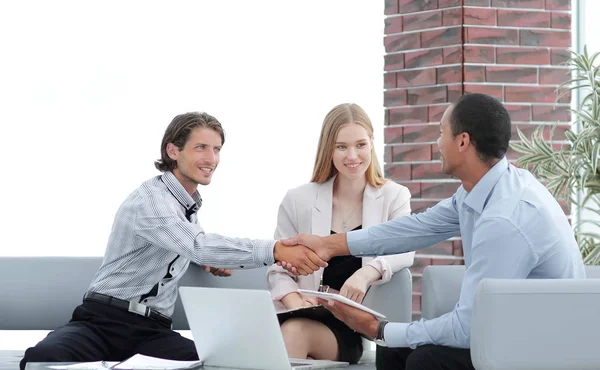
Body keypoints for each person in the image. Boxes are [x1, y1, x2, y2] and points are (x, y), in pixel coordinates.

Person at [280, 93, 586, 370]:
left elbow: (468, 328)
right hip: (510, 330)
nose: (437, 143)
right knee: (393, 353)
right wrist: (329, 244)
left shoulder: (504, 220)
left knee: (424, 359)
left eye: (442, 133)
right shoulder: (482, 189)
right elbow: (415, 228)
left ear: (463, 141)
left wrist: (379, 329)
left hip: (540, 348)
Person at [20, 112, 326, 370]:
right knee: (41, 360)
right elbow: (196, 243)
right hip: (103, 321)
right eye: (201, 147)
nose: (211, 158)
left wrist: (205, 259)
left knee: (214, 365)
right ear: (173, 151)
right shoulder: (152, 200)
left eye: (217, 149)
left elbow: (190, 243)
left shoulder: (187, 207)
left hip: (151, 332)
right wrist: (275, 249)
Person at [267, 103, 415, 365]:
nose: (352, 155)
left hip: (348, 328)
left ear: (371, 142)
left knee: (293, 334)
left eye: (360, 144)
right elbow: (279, 268)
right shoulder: (297, 200)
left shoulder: (394, 196)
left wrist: (366, 273)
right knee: (285, 330)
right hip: (295, 312)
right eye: (341, 146)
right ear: (328, 149)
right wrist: (296, 302)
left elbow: (405, 249)